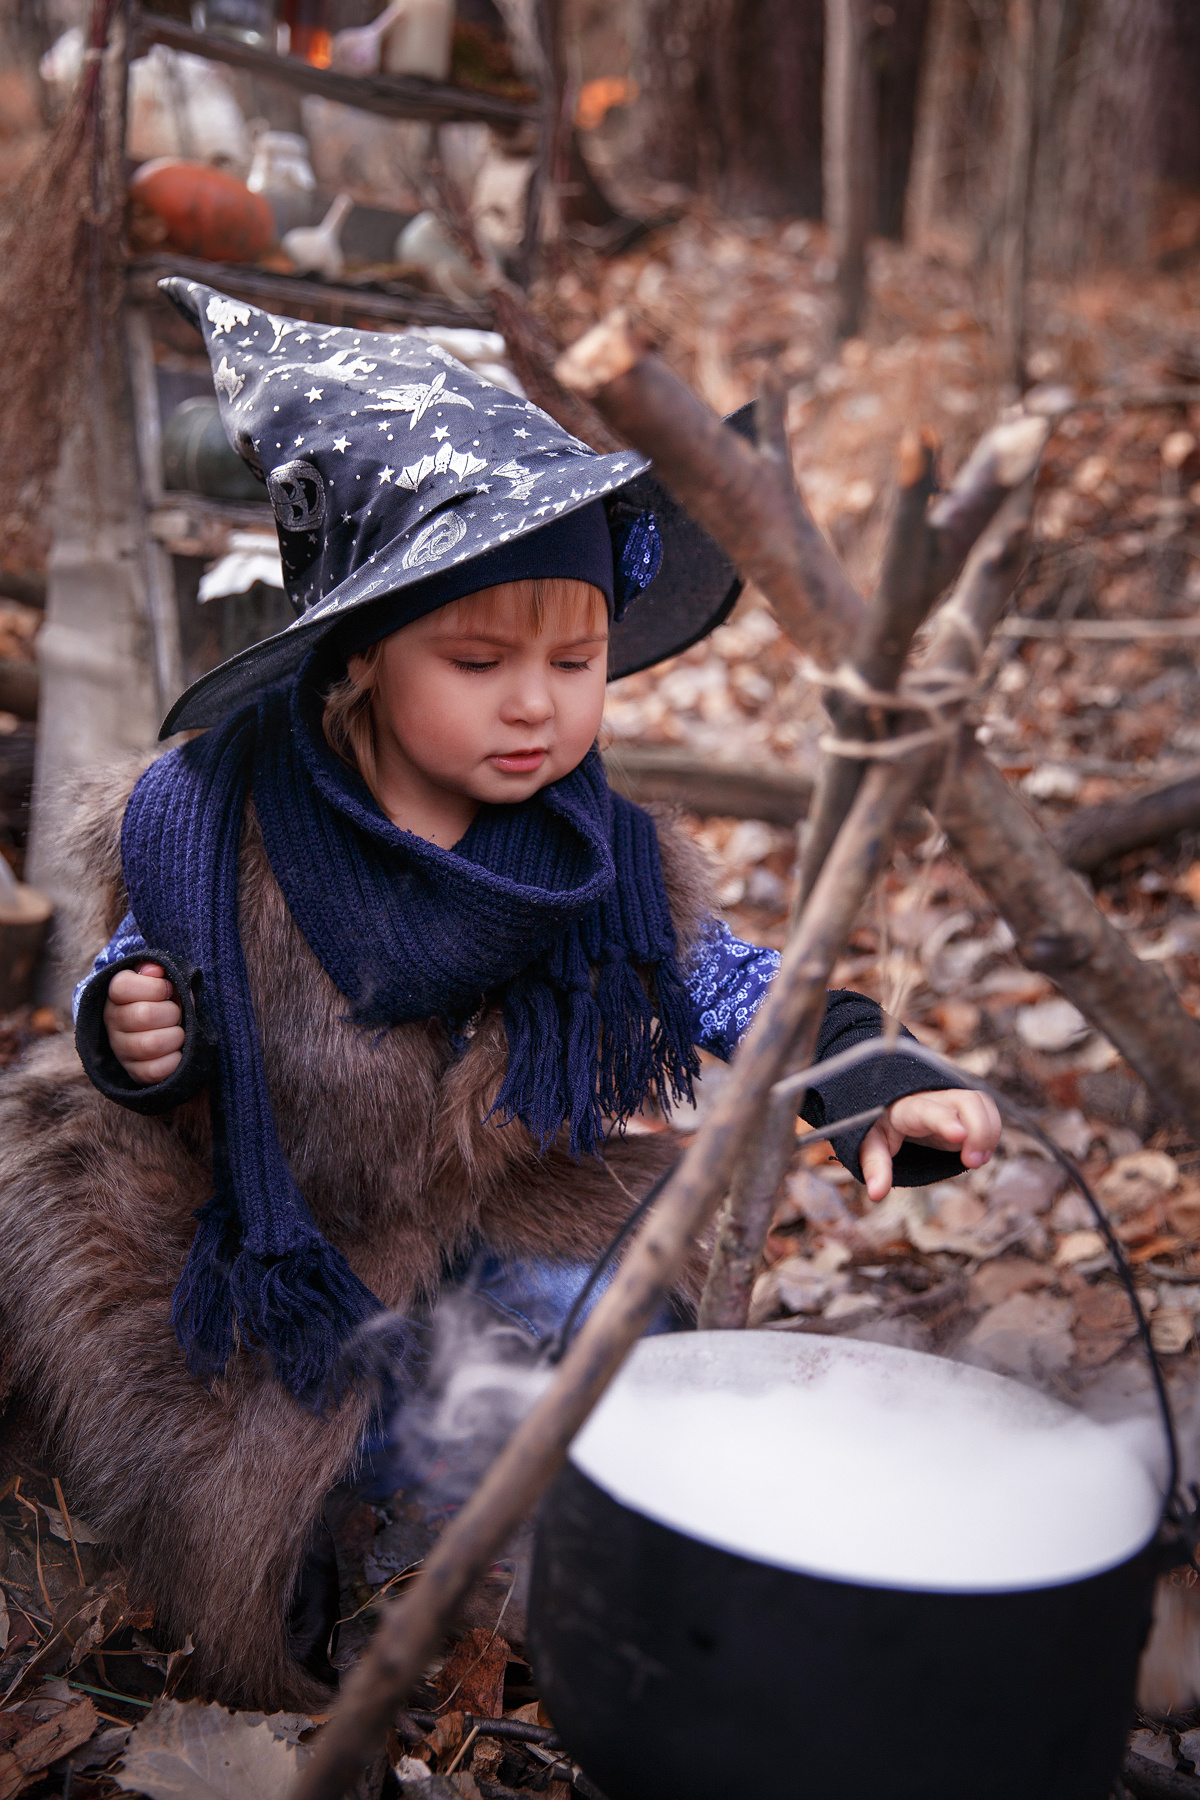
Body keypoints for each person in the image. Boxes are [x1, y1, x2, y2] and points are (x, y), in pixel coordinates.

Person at [0, 280, 999, 1711]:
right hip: (261, 1223)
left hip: (474, 1207)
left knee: (613, 1337)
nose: (538, 705)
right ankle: (360, 1542)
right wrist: (132, 1030)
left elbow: (720, 983)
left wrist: (864, 1066)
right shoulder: (218, 827)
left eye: (577, 660)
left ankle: (522, 1538)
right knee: (273, 1445)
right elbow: (136, 974)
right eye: (479, 663)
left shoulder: (586, 852)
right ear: (362, 661)